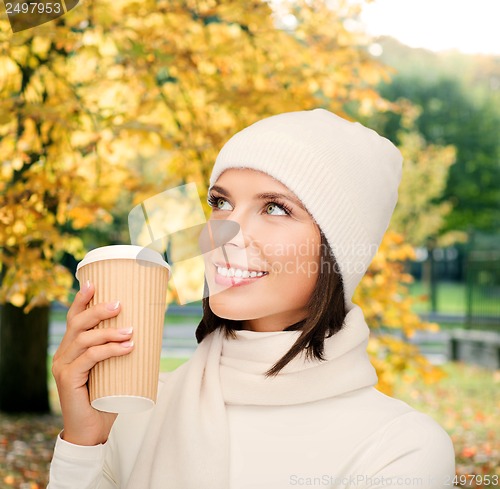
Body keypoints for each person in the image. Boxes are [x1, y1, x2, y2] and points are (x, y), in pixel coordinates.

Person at [48, 109, 455, 489]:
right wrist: (83, 444)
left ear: (339, 252)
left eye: (276, 208)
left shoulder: (401, 448)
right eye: (221, 203)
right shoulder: (130, 411)